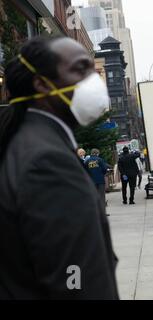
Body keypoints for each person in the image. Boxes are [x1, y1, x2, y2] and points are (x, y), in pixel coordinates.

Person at [0, 36, 118, 299]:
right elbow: (73, 278)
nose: (94, 80)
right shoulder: (48, 161)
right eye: (80, 69)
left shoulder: (26, 141)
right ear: (42, 84)